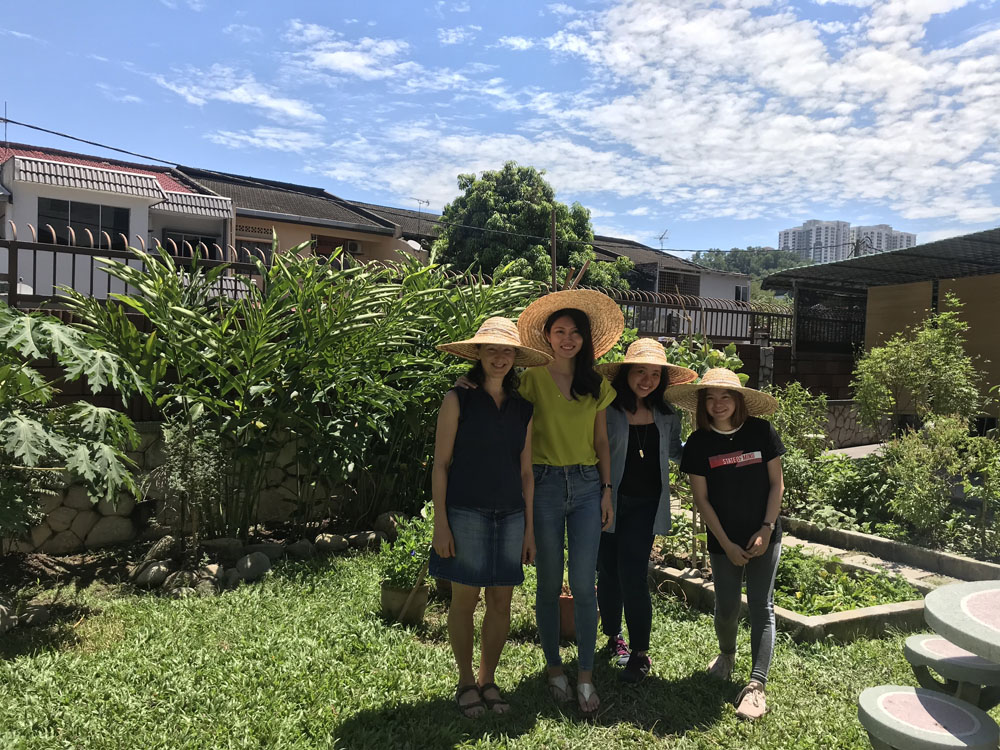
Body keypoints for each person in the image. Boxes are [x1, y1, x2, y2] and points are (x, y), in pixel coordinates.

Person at [430, 317, 551, 718]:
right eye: (492, 350)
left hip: (511, 515)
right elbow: (441, 465)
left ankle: (488, 679)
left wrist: (530, 530)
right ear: (478, 354)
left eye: (507, 351)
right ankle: (465, 681)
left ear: (516, 358)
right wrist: (440, 524)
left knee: (502, 602)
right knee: (464, 600)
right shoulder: (457, 399)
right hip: (465, 512)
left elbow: (526, 473)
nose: (500, 358)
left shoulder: (523, 409)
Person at [514, 289, 624, 716]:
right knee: (547, 583)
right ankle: (553, 669)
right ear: (546, 335)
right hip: (542, 486)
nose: (566, 339)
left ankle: (584, 674)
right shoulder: (530, 380)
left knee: (582, 584)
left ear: (585, 339)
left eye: (575, 332)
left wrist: (607, 489)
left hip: (585, 486)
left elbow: (601, 441)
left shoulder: (595, 383)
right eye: (559, 331)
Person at [668, 368, 785, 721]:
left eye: (726, 397)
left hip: (764, 534)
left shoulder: (761, 432)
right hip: (724, 540)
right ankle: (727, 654)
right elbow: (701, 500)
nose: (719, 404)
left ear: (739, 401)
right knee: (727, 607)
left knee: (762, 606)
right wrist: (726, 544)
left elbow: (777, 485)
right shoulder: (700, 442)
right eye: (711, 398)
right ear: (703, 404)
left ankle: (756, 686)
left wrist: (766, 529)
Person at [594, 339, 696, 683]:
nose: (647, 379)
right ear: (627, 374)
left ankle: (639, 652)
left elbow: (676, 452)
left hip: (645, 505)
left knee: (632, 573)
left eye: (655, 374)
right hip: (607, 500)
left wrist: (710, 451)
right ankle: (612, 635)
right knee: (606, 570)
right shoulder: (607, 407)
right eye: (640, 371)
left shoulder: (667, 414)